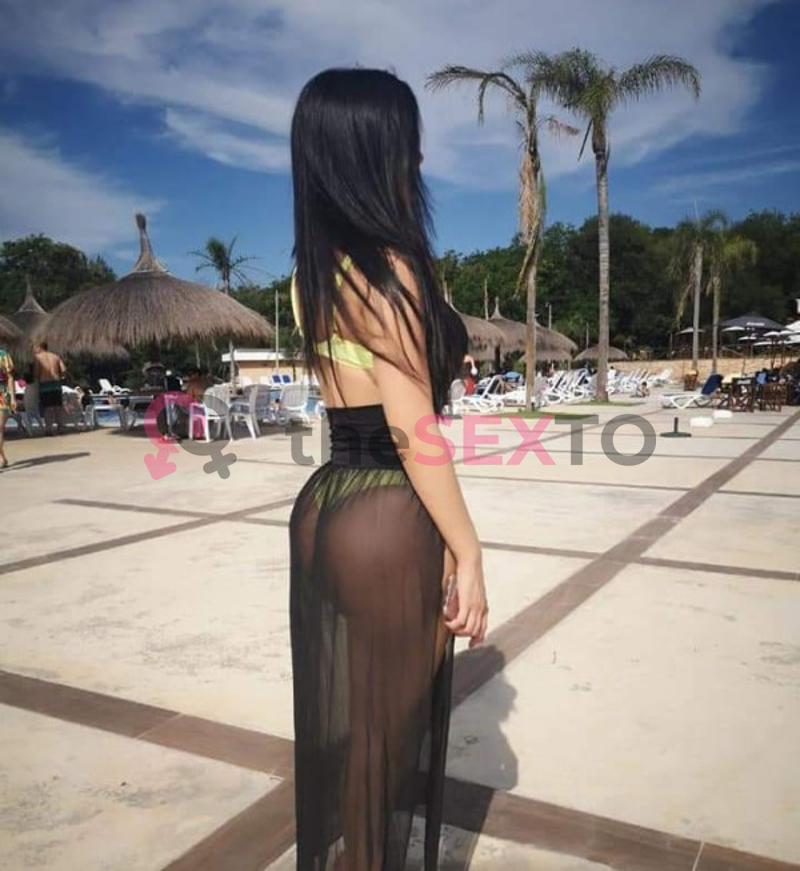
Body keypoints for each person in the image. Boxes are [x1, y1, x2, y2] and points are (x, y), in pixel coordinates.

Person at [288, 68, 487, 871]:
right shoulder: (388, 269)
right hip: (386, 513)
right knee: (388, 730)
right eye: (408, 142)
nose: (420, 158)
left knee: (364, 724)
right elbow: (412, 428)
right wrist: (468, 548)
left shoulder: (315, 271)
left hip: (328, 500)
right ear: (371, 152)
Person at [33, 342, 66, 435]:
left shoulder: (38, 357)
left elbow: (36, 372)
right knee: (58, 407)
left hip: (45, 384)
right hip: (56, 384)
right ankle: (61, 427)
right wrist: (60, 376)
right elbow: (64, 369)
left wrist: (37, 378)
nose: (34, 350)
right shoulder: (56, 356)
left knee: (48, 408)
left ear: (40, 347)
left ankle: (49, 429)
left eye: (35, 347)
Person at [0, 345, 16, 468]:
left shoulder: (3, 355)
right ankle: (2, 457)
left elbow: (10, 377)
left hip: (2, 394)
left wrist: (13, 397)